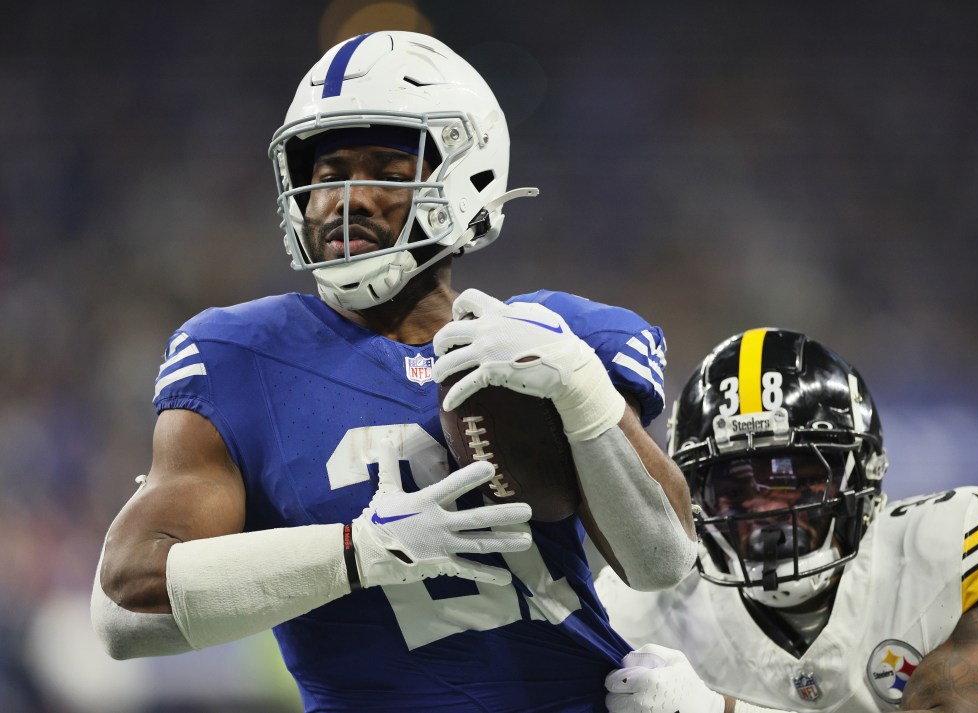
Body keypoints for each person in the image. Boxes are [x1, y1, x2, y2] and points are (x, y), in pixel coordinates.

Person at [90, 30, 697, 712]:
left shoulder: (557, 336)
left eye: (383, 167)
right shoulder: (241, 354)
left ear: (468, 173)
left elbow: (662, 562)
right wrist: (361, 550)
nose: (345, 199)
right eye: (326, 173)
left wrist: (581, 389)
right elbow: (124, 609)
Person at [599, 327, 978, 713]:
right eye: (734, 486)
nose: (767, 510)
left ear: (862, 472)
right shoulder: (640, 606)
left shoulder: (951, 544)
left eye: (793, 479)